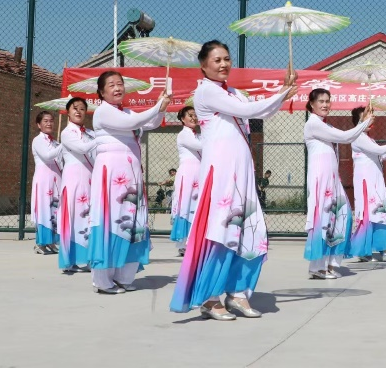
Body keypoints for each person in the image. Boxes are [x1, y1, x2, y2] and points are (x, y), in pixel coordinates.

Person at [170, 40, 296, 321]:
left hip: (242, 170)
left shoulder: (235, 93)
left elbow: (262, 112)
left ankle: (238, 293)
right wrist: (282, 91)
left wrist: (283, 92)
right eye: (217, 60)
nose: (224, 64)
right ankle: (210, 298)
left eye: (227, 59)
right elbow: (249, 111)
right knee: (221, 229)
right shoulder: (205, 92)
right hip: (221, 172)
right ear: (203, 65)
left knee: (249, 230)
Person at [88, 70, 170, 294]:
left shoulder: (125, 111)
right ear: (101, 92)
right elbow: (133, 122)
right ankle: (103, 281)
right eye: (111, 85)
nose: (117, 88)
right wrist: (156, 106)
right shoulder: (103, 112)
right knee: (111, 220)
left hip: (131, 174)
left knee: (133, 222)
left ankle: (124, 277)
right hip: (113, 174)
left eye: (120, 84)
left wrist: (162, 107)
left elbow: (150, 123)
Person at [304, 89, 372, 279]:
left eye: (327, 101)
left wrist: (362, 121)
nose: (325, 105)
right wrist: (364, 123)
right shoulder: (313, 124)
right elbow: (344, 137)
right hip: (320, 179)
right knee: (323, 220)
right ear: (312, 104)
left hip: (333, 179)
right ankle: (317, 267)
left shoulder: (326, 125)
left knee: (343, 217)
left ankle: (331, 263)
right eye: (321, 101)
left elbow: (344, 136)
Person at [348, 106, 386, 263]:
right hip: (367, 184)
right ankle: (369, 251)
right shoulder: (358, 136)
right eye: (367, 116)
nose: (372, 118)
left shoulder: (368, 138)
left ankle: (382, 251)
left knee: (382, 214)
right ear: (359, 120)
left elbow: (383, 156)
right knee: (374, 215)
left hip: (376, 181)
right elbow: (379, 150)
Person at [58, 97, 96, 272]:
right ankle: (70, 260)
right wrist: (101, 138)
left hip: (90, 179)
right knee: (74, 217)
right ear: (68, 112)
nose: (78, 111)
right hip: (73, 180)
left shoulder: (90, 133)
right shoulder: (67, 133)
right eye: (75, 108)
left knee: (89, 217)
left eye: (82, 108)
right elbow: (82, 148)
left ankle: (89, 258)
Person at [170, 106, 202, 257]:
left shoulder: (197, 134)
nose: (194, 118)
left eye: (195, 115)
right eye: (190, 115)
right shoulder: (184, 134)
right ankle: (183, 243)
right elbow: (201, 146)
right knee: (186, 204)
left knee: (196, 205)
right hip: (188, 173)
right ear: (183, 119)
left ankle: (194, 239)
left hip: (199, 172)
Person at [31, 111, 63, 255]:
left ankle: (52, 241)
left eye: (51, 121)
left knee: (55, 210)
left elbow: (60, 161)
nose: (49, 123)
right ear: (39, 125)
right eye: (45, 121)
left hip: (57, 179)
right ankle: (41, 242)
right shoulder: (38, 140)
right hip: (44, 180)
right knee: (44, 209)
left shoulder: (55, 143)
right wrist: (63, 145)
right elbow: (47, 156)